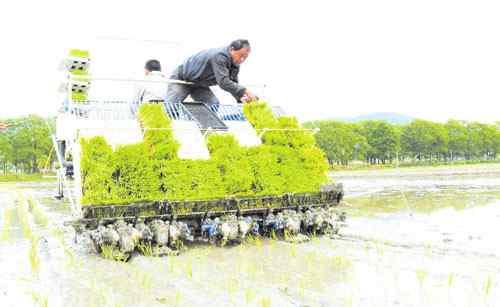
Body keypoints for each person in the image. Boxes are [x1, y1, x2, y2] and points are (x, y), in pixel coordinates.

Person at [166, 39, 257, 106]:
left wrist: (241, 98)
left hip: (199, 84)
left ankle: (206, 130)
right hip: (182, 79)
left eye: (245, 57)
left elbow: (233, 83)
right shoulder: (219, 56)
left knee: (213, 104)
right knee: (171, 106)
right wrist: (245, 91)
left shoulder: (235, 63)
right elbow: (224, 82)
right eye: (240, 56)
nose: (242, 60)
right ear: (232, 49)